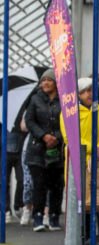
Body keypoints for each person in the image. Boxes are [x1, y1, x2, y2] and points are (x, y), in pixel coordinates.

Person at [60, 77, 99, 240]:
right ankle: (80, 235)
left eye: (91, 90)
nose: (89, 94)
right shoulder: (69, 111)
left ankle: (94, 235)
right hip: (79, 160)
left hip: (97, 160)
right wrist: (92, 148)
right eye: (85, 91)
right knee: (81, 198)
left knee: (95, 198)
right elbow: (70, 137)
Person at [23, 69, 64, 232]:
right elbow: (30, 121)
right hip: (37, 150)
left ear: (56, 83)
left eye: (49, 80)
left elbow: (68, 121)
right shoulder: (34, 99)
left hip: (58, 149)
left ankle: (54, 217)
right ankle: (38, 217)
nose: (45, 83)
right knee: (39, 185)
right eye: (43, 80)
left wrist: (56, 138)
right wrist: (44, 136)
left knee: (56, 185)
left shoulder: (64, 100)